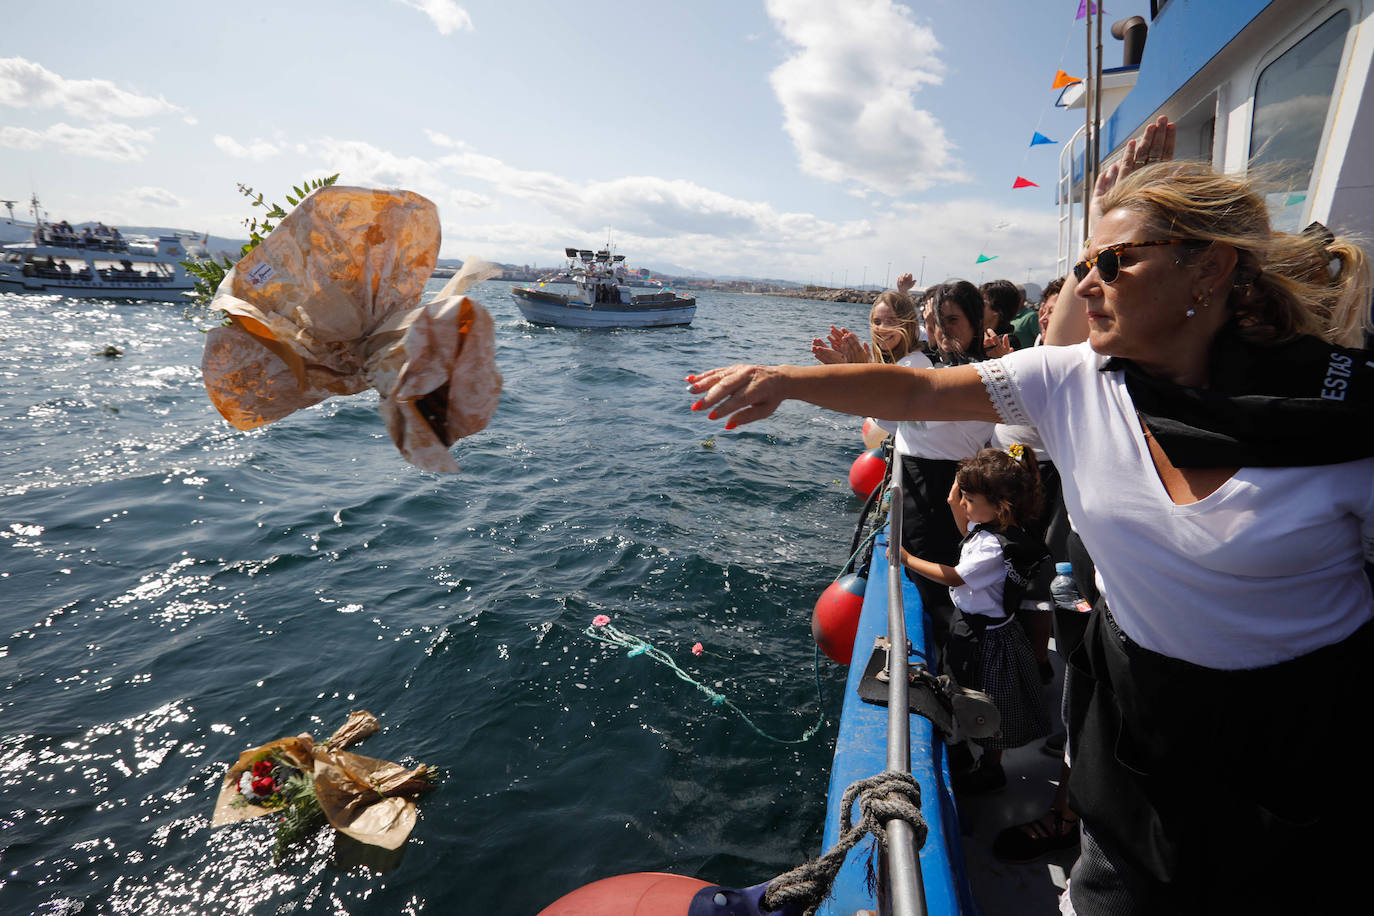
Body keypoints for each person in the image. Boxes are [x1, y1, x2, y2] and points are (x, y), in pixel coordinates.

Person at [688, 159, 1374, 914]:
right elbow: (918, 391)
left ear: (1209, 269)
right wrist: (783, 380)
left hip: (1300, 748)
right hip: (1137, 737)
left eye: (1111, 263)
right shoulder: (1074, 379)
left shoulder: (1342, 421)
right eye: (1082, 266)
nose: (1085, 284)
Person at [891, 446, 1051, 793]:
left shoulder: (992, 547)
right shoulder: (996, 528)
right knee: (965, 688)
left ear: (998, 506)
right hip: (976, 627)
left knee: (988, 702)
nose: (963, 504)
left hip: (986, 638)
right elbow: (969, 533)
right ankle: (967, 749)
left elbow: (955, 576)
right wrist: (955, 502)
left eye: (968, 498)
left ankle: (989, 768)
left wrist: (906, 558)